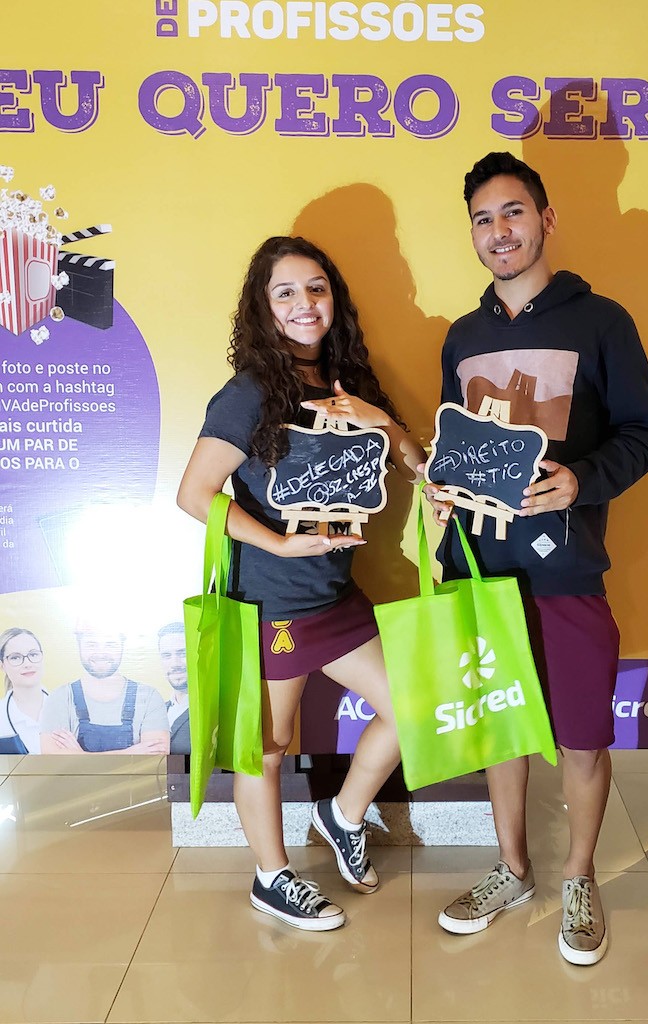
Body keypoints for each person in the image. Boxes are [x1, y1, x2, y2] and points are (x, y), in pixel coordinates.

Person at [425, 153, 648, 965]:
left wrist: (580, 480)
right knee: (500, 729)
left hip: (566, 567)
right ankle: (512, 870)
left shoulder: (602, 322)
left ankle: (577, 878)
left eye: (513, 212)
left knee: (582, 737)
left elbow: (643, 435)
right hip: (480, 570)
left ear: (545, 219)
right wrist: (442, 495)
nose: (499, 231)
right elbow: (457, 449)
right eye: (483, 219)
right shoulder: (462, 339)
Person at [177, 235, 424, 932]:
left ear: (333, 298)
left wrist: (381, 420)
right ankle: (271, 877)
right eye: (284, 292)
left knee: (412, 704)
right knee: (267, 745)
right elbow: (194, 495)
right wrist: (280, 543)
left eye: (316, 288)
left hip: (336, 596)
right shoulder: (248, 393)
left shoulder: (349, 382)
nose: (304, 304)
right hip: (272, 603)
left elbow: (415, 464)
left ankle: (342, 816)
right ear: (263, 307)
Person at [39, 620, 170, 754]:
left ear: (122, 646)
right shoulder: (59, 698)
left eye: (110, 644)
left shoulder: (149, 697)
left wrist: (80, 756)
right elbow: (54, 761)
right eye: (91, 644)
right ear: (79, 646)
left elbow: (155, 760)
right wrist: (128, 754)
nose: (101, 653)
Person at [0, 628, 49, 754]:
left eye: (33, 655)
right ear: (2, 665)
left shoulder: (69, 710)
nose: (27, 664)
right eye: (15, 657)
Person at [158, 621, 190, 755]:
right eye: (167, 656)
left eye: (183, 653)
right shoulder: (157, 712)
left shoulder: (214, 711)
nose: (175, 663)